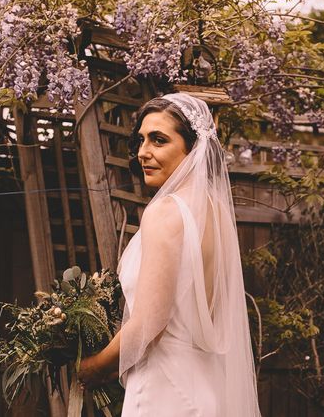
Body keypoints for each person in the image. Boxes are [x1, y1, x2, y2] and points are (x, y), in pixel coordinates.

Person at [78, 92, 261, 416]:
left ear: (192, 148)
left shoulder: (165, 212)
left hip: (163, 393)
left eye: (158, 140)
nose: (143, 153)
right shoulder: (215, 214)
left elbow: (150, 323)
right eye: (141, 140)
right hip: (204, 388)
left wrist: (93, 367)